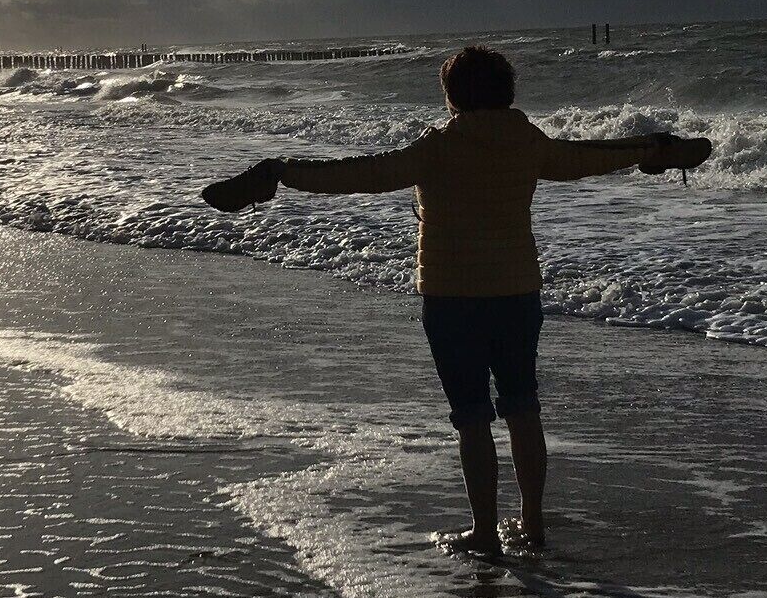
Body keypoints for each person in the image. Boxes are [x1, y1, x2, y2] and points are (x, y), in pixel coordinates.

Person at [202, 46, 710, 558]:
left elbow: (361, 174)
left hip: (451, 298)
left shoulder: (437, 148)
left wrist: (284, 171)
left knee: (471, 416)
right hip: (516, 292)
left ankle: (485, 532)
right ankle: (533, 525)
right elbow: (586, 157)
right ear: (507, 91)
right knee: (523, 407)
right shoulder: (529, 142)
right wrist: (649, 149)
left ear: (452, 96)